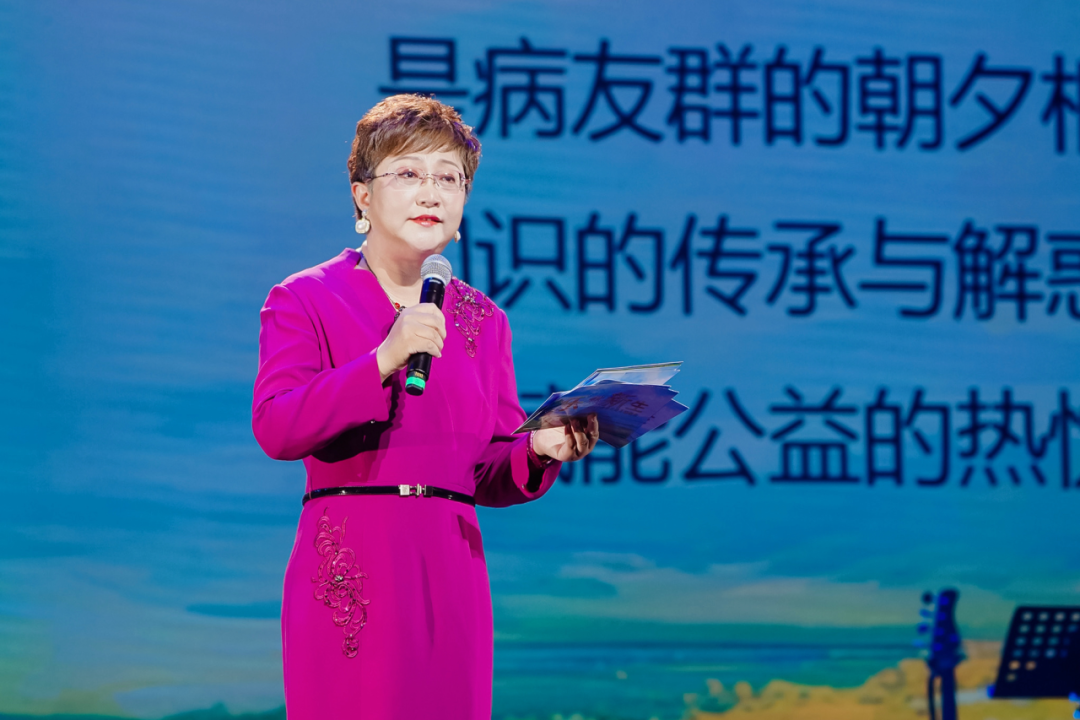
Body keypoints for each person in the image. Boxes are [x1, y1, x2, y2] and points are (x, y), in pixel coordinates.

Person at [252, 94, 599, 719]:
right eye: (409, 173)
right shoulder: (306, 298)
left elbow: (487, 469)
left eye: (449, 178)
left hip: (450, 565)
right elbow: (278, 425)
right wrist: (382, 360)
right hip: (352, 563)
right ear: (362, 196)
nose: (430, 193)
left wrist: (539, 450)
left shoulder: (484, 320)